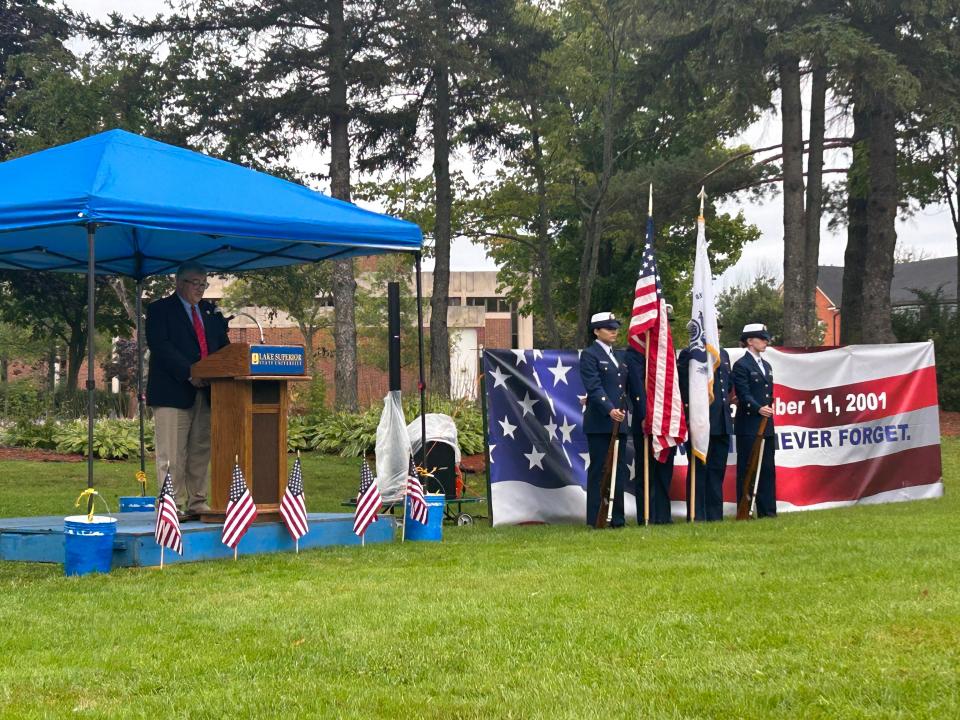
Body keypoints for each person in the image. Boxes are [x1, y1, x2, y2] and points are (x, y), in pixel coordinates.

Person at [146, 261, 230, 519]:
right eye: (196, 283)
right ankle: (172, 505)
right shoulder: (160, 310)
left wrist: (217, 371)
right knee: (171, 454)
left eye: (204, 284)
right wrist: (190, 372)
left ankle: (197, 502)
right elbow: (161, 346)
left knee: (200, 452)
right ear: (179, 283)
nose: (201, 289)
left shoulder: (210, 313)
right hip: (173, 391)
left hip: (206, 392)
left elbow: (223, 348)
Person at [677, 321, 734, 521]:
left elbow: (727, 387)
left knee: (717, 471)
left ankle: (714, 514)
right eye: (713, 328)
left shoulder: (723, 355)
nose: (717, 332)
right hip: (701, 421)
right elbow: (684, 388)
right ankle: (697, 514)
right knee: (699, 471)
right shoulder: (689, 354)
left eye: (719, 329)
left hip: (722, 422)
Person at [578, 312, 630, 528]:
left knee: (618, 471)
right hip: (600, 422)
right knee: (600, 469)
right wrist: (610, 409)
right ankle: (596, 517)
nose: (614, 331)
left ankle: (617, 518)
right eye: (609, 328)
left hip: (620, 421)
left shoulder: (619, 356)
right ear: (596, 331)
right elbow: (594, 386)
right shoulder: (590, 355)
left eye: (615, 327)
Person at [731, 322, 776, 518]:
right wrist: (758, 408)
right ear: (750, 341)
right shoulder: (742, 365)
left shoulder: (766, 365)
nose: (766, 341)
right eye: (761, 338)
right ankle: (744, 509)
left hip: (766, 425)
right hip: (749, 424)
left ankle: (768, 511)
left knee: (767, 468)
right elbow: (743, 393)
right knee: (748, 468)